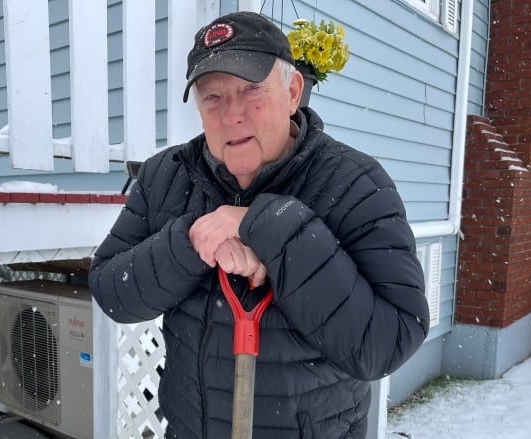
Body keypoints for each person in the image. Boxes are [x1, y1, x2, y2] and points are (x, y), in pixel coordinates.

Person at [88, 10, 429, 439]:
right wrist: (193, 238)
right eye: (212, 97)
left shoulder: (355, 184)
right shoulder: (166, 176)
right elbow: (110, 291)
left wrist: (272, 226)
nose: (231, 114)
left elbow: (390, 340)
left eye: (251, 89)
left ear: (292, 92)